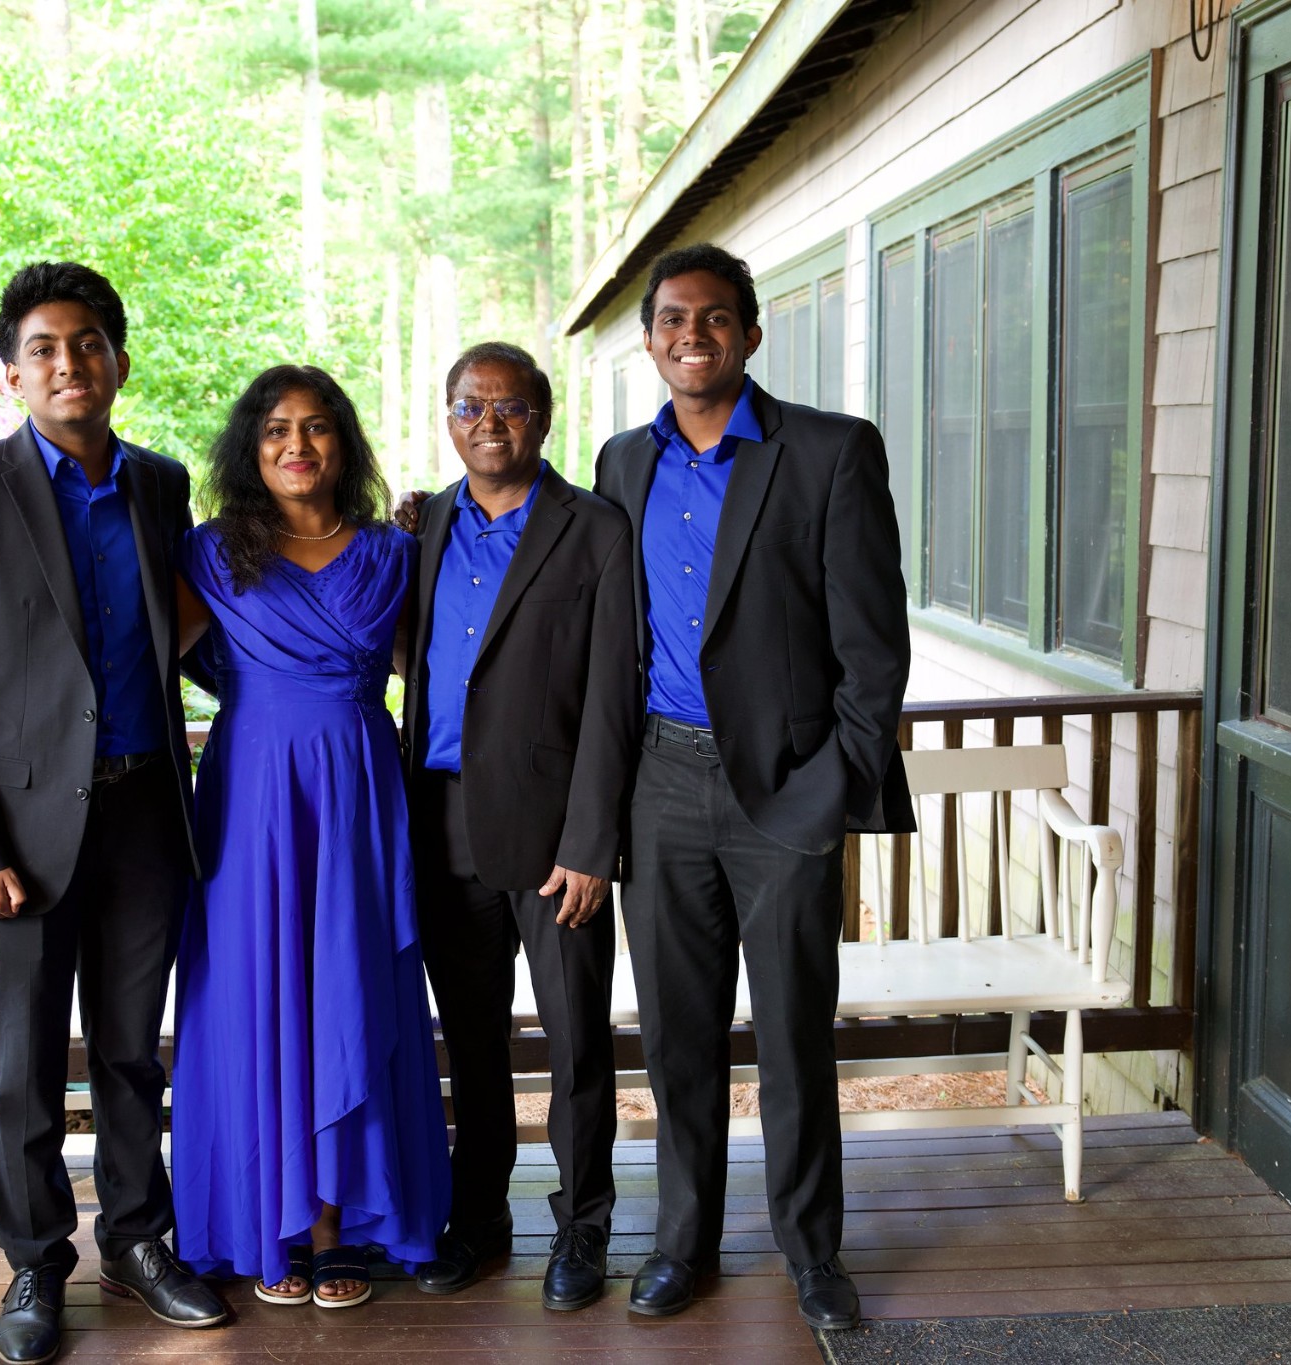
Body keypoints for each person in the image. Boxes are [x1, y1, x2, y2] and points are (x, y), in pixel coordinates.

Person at [0, 262, 229, 1365]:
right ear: (12, 373)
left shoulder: (160, 484)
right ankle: (37, 1266)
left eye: (86, 343)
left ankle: (140, 1244)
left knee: (135, 1053)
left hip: (146, 816)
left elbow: (195, 624)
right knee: (26, 1061)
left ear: (118, 362)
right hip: (27, 837)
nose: (66, 363)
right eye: (43, 348)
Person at [592, 244, 914, 1335]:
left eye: (715, 318)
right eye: (673, 318)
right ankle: (680, 1242)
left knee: (790, 1036)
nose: (693, 334)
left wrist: (833, 792)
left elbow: (874, 654)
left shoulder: (826, 453)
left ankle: (810, 1252)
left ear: (750, 334)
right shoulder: (619, 466)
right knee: (675, 1035)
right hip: (661, 784)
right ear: (648, 341)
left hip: (786, 794)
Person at [168, 365, 452, 1310]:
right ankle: (270, 1221)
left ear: (346, 444)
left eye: (319, 427)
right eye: (277, 430)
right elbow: (136, 662)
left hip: (361, 790)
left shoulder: (393, 549)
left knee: (350, 984)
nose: (298, 444)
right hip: (254, 792)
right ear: (250, 450)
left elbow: (443, 670)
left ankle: (340, 1225)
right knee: (259, 993)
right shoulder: (211, 554)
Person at [403, 343, 637, 1312]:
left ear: (542, 419)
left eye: (508, 407)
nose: (488, 423)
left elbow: (615, 697)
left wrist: (592, 843)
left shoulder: (594, 531)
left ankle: (581, 1227)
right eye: (470, 406)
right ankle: (480, 1217)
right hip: (441, 819)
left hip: (553, 838)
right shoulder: (422, 528)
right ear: (448, 419)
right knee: (471, 1038)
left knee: (577, 1040)